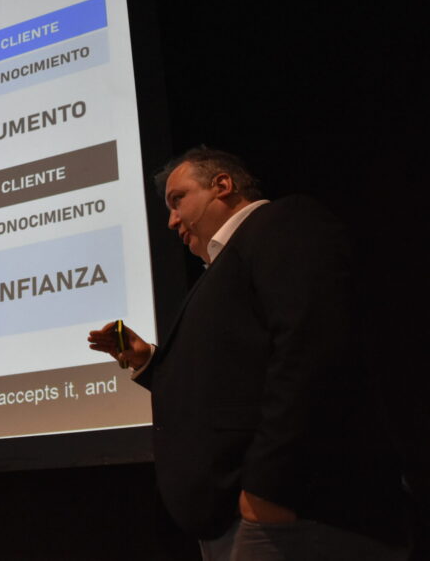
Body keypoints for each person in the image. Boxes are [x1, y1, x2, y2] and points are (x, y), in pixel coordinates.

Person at [87, 147, 407, 560]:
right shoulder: (226, 266)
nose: (171, 220)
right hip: (244, 521)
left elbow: (310, 349)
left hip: (294, 513)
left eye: (178, 200)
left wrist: (267, 489)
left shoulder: (283, 223)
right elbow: (227, 383)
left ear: (222, 185)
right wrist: (148, 360)